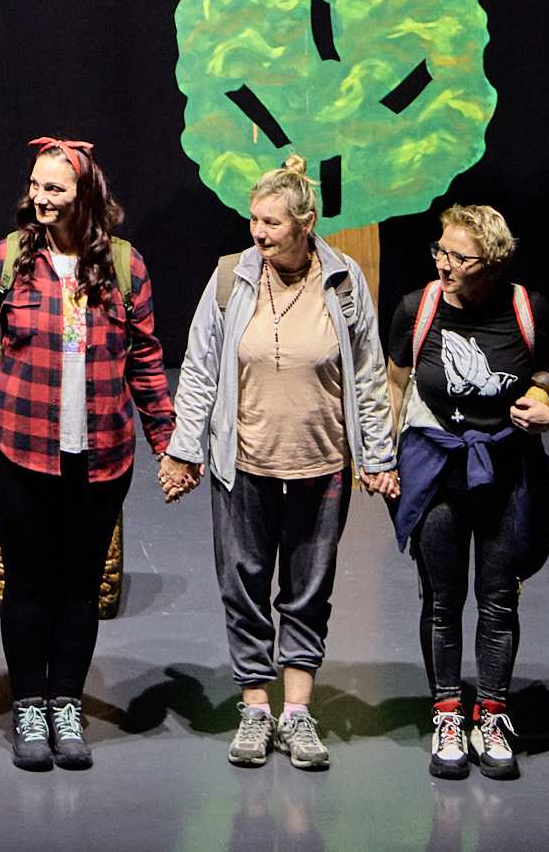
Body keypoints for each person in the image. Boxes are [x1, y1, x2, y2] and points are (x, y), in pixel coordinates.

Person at [161, 153, 398, 772]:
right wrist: (184, 449)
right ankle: (254, 708)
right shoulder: (230, 277)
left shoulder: (343, 281)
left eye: (272, 222)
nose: (259, 233)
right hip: (243, 463)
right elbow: (199, 369)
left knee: (308, 588)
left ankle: (296, 712)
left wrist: (377, 455)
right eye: (254, 220)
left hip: (321, 462)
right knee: (243, 585)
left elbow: (368, 374)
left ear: (305, 223)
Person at [0, 138, 176, 771]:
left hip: (101, 454)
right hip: (18, 449)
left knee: (81, 585)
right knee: (28, 580)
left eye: (54, 188)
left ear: (86, 195)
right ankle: (30, 705)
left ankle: (66, 704)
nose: (40, 198)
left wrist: (168, 444)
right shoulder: (8, 259)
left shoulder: (126, 266)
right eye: (35, 185)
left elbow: (146, 361)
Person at [386, 204, 549, 781]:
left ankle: (491, 714)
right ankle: (446, 714)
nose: (443, 263)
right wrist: (384, 458)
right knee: (442, 601)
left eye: (458, 257)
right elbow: (394, 383)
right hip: (438, 471)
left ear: (490, 264)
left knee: (498, 599)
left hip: (508, 472)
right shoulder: (416, 309)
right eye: (440, 250)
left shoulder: (527, 309)